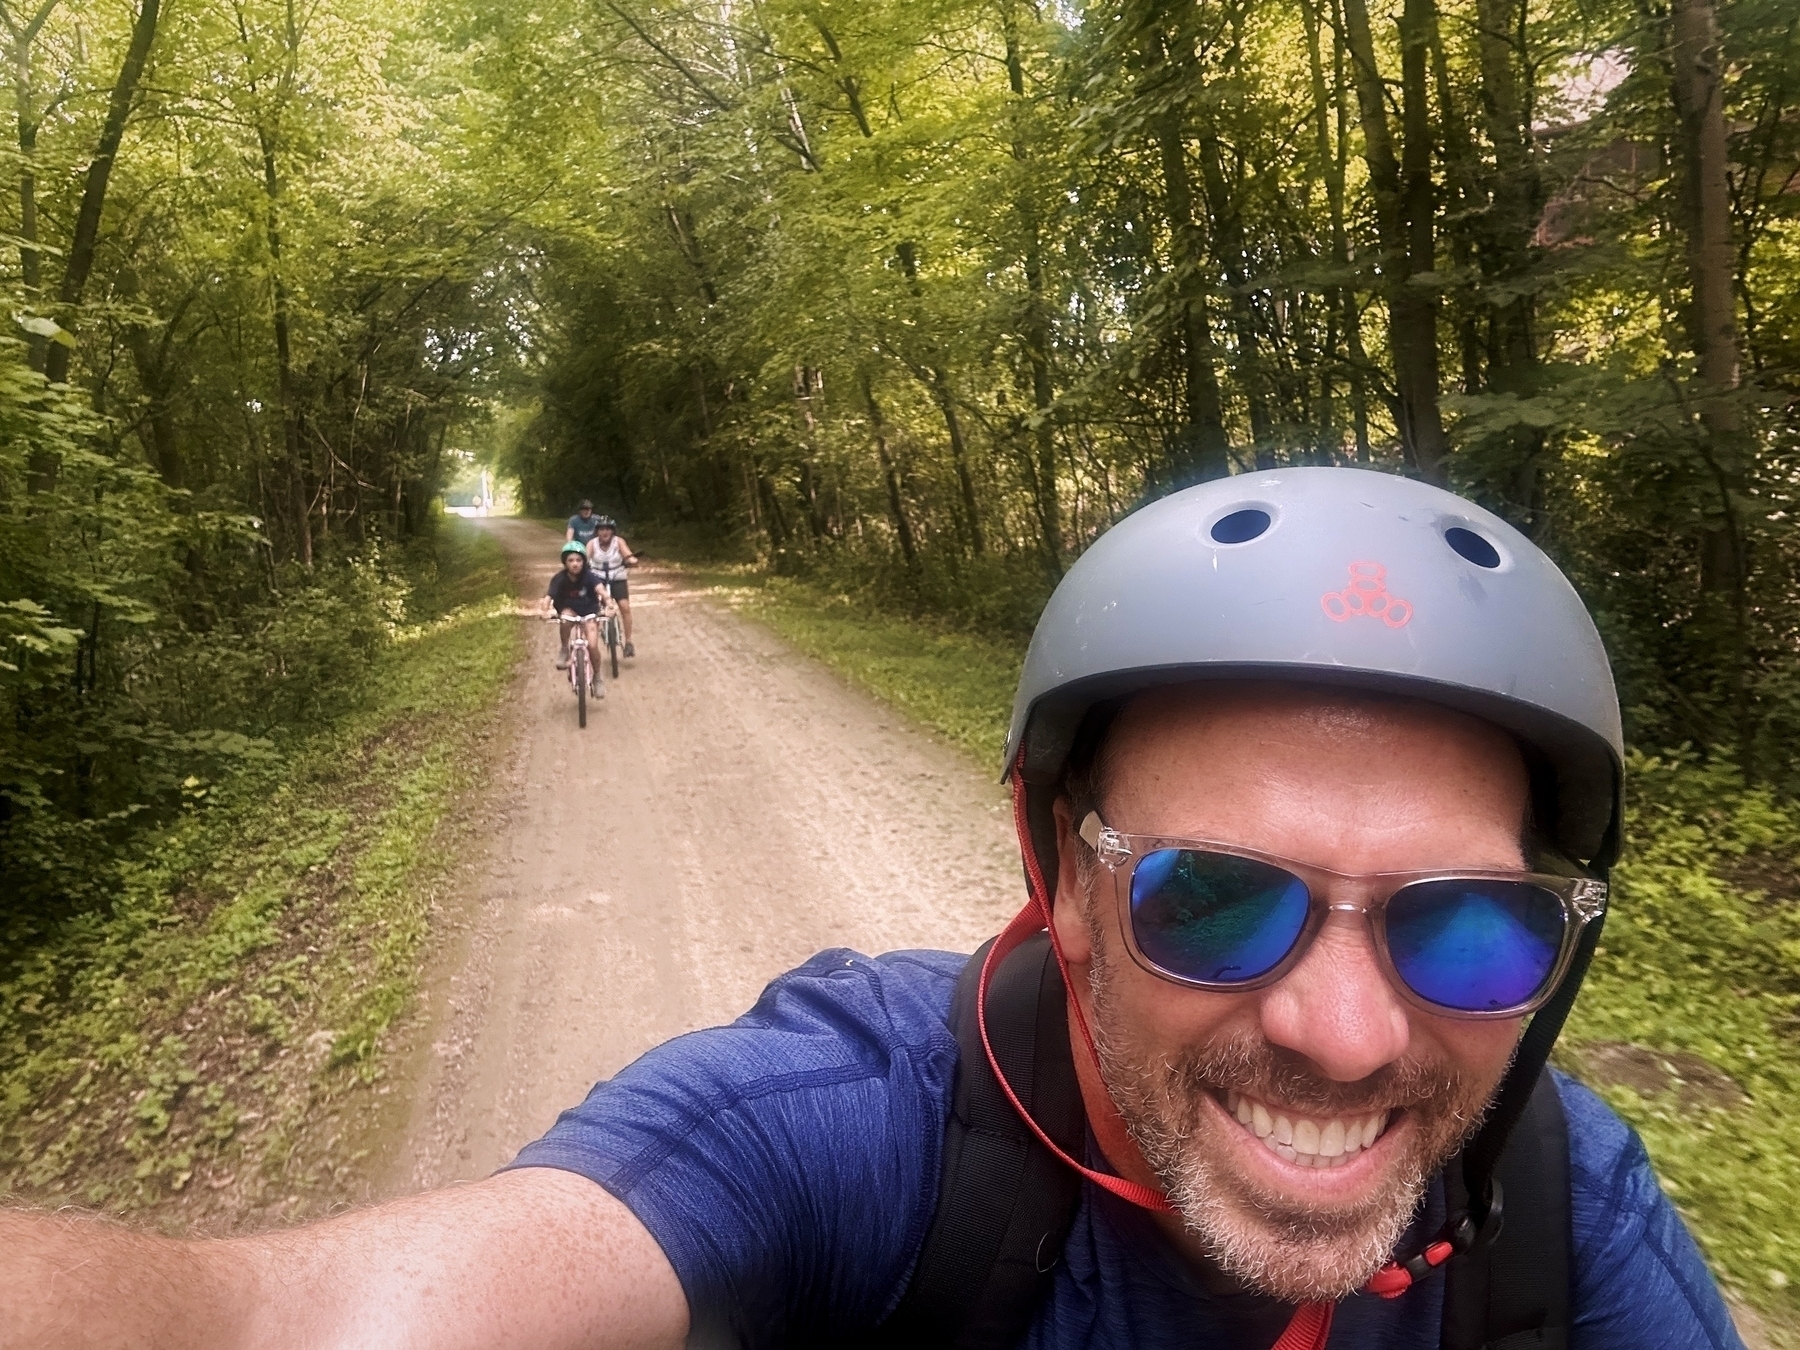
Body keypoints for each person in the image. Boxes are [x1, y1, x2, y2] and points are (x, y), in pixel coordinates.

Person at [0, 469, 1746, 1350]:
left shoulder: (1556, 1204)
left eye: (1466, 928)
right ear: (1063, 883)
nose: (1349, 1031)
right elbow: (278, 1323)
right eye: (1218, 904)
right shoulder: (863, 1127)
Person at [544, 542, 603, 695]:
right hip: (569, 609)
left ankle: (597, 677)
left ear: (584, 562)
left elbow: (601, 590)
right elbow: (548, 597)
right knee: (565, 619)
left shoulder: (589, 576)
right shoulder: (559, 578)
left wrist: (609, 604)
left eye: (578, 560)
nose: (575, 564)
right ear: (565, 562)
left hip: (589, 611)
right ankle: (564, 648)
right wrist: (543, 610)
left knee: (592, 645)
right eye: (571, 560)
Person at [584, 516, 639, 658]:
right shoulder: (592, 544)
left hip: (617, 577)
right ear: (597, 531)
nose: (605, 532)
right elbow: (585, 557)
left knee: (624, 606)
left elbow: (627, 554)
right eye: (602, 529)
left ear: (612, 531)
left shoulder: (618, 542)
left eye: (608, 529)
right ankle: (592, 642)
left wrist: (631, 560)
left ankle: (628, 642)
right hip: (598, 578)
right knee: (595, 610)